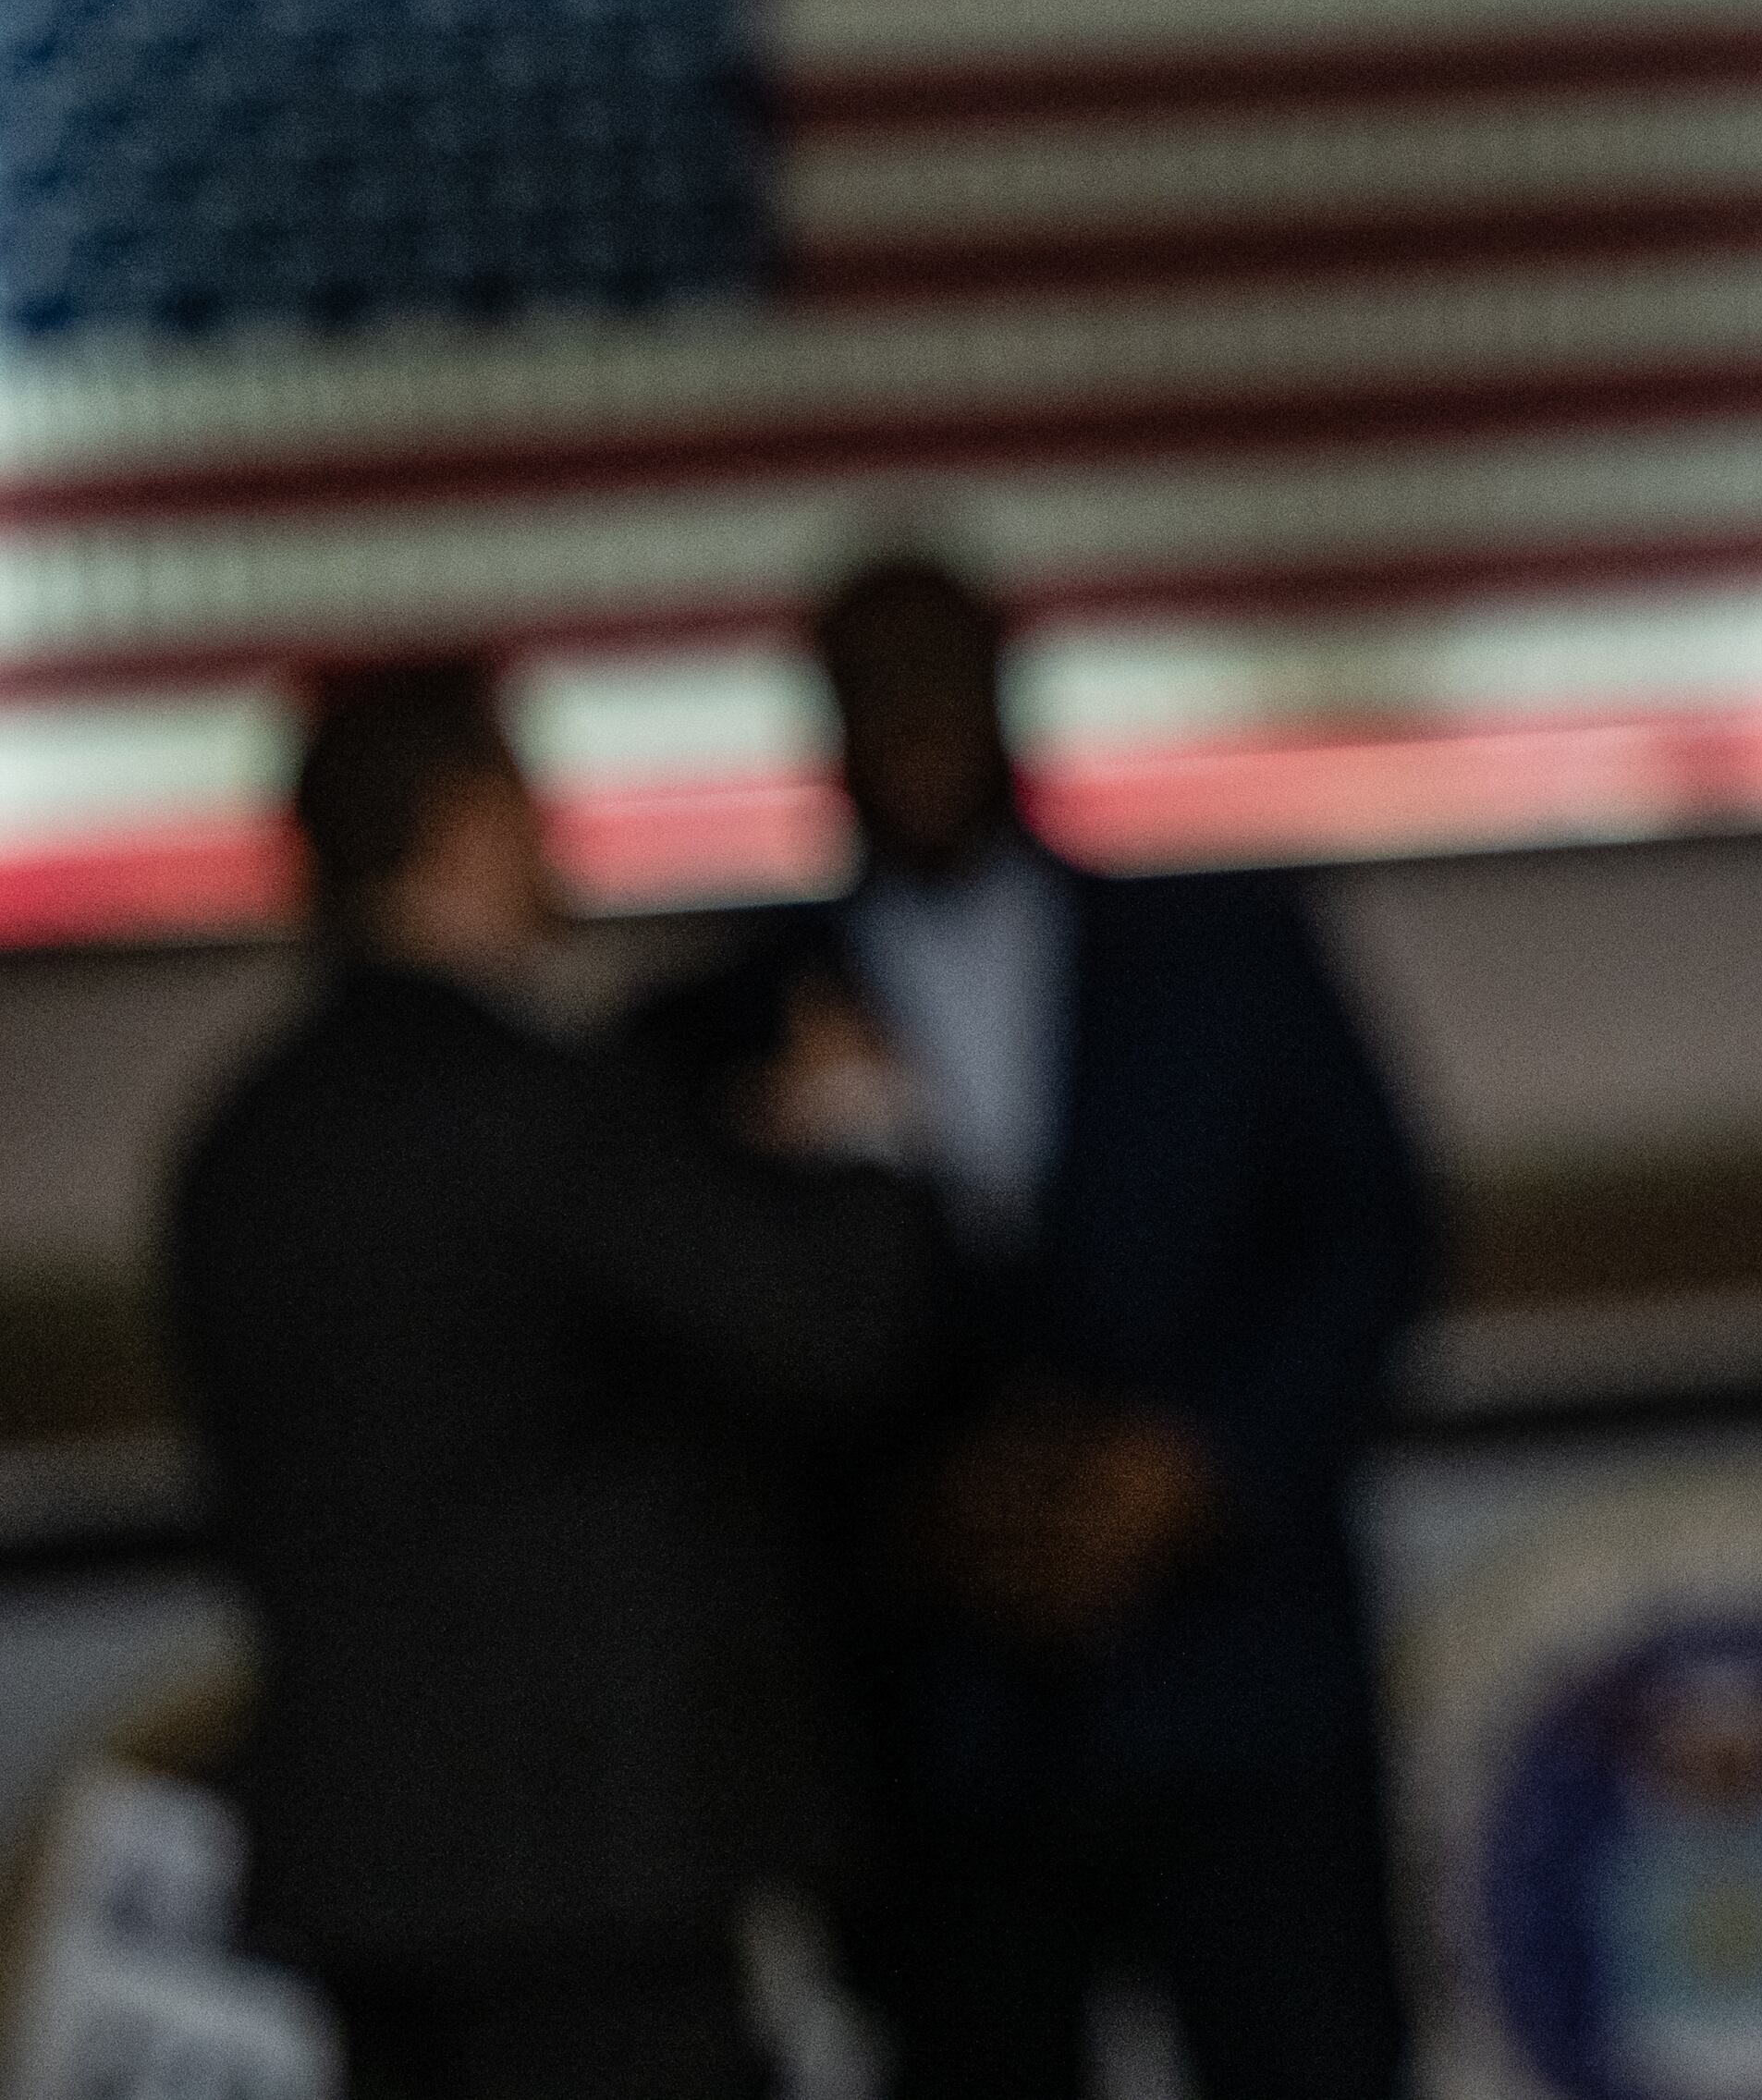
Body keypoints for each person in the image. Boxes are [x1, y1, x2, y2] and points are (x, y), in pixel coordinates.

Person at [162, 661, 936, 2100]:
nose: (559, 834)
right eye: (527, 800)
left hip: (362, 1858)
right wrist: (859, 1136)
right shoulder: (539, 1107)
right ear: (461, 822)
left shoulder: (239, 1141)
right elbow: (825, 1334)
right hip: (596, 1860)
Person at [776, 557, 1438, 2100]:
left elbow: (1374, 1234)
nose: (916, 736)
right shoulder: (743, 1011)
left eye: (940, 689)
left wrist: (1197, 1463)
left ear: (1008, 696)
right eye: (877, 701)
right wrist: (929, 1509)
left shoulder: (1225, 949)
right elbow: (730, 1348)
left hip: (1245, 1684)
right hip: (942, 1734)